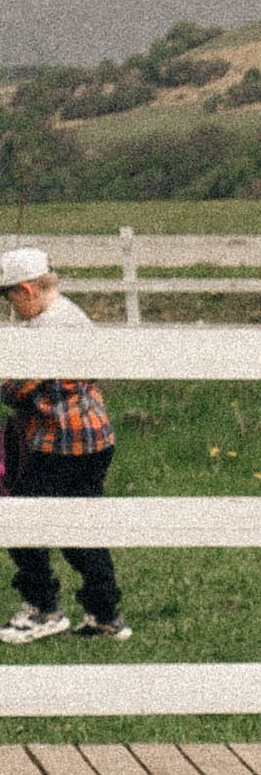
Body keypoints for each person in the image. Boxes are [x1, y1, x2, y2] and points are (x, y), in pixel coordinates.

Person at [2, 246, 131, 646]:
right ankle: (105, 613)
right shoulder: (70, 315)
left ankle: (43, 608)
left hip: (62, 443)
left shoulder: (49, 331)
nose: (11, 308)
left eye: (10, 299)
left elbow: (19, 387)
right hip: (93, 438)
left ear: (27, 290)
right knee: (80, 529)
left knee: (20, 519)